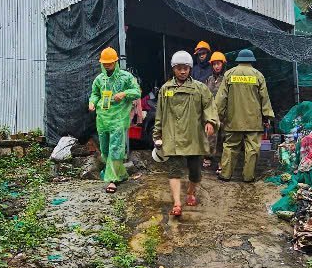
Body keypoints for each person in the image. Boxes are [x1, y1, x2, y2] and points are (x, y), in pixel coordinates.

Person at [153, 50, 218, 217]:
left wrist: (210, 121)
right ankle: (177, 202)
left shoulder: (200, 88)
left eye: (186, 68)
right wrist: (157, 134)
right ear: (173, 69)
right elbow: (160, 113)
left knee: (195, 172)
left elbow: (209, 106)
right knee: (174, 170)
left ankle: (191, 192)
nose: (182, 71)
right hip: (172, 136)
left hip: (193, 135)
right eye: (179, 68)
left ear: (190, 69)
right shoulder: (165, 89)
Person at [215, 48, 273, 183]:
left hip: (233, 120)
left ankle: (225, 174)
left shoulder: (229, 74)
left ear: (238, 60)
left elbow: (221, 99)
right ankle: (248, 176)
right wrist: (267, 117)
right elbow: (264, 99)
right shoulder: (258, 75)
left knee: (230, 146)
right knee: (252, 149)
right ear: (251, 60)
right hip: (253, 121)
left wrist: (218, 116)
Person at [87, 47, 141, 193]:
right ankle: (121, 174)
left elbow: (137, 92)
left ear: (116, 62)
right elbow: (95, 94)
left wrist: (124, 93)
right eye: (104, 63)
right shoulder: (99, 79)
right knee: (105, 149)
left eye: (109, 63)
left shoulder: (126, 77)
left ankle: (112, 180)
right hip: (103, 119)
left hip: (118, 118)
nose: (107, 65)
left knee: (115, 148)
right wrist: (92, 102)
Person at [202, 51, 227, 168]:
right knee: (210, 137)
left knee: (223, 138)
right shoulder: (209, 79)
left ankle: (222, 162)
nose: (216, 66)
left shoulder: (227, 79)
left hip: (224, 115)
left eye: (219, 64)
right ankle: (208, 157)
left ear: (223, 64)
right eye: (214, 64)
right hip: (211, 114)